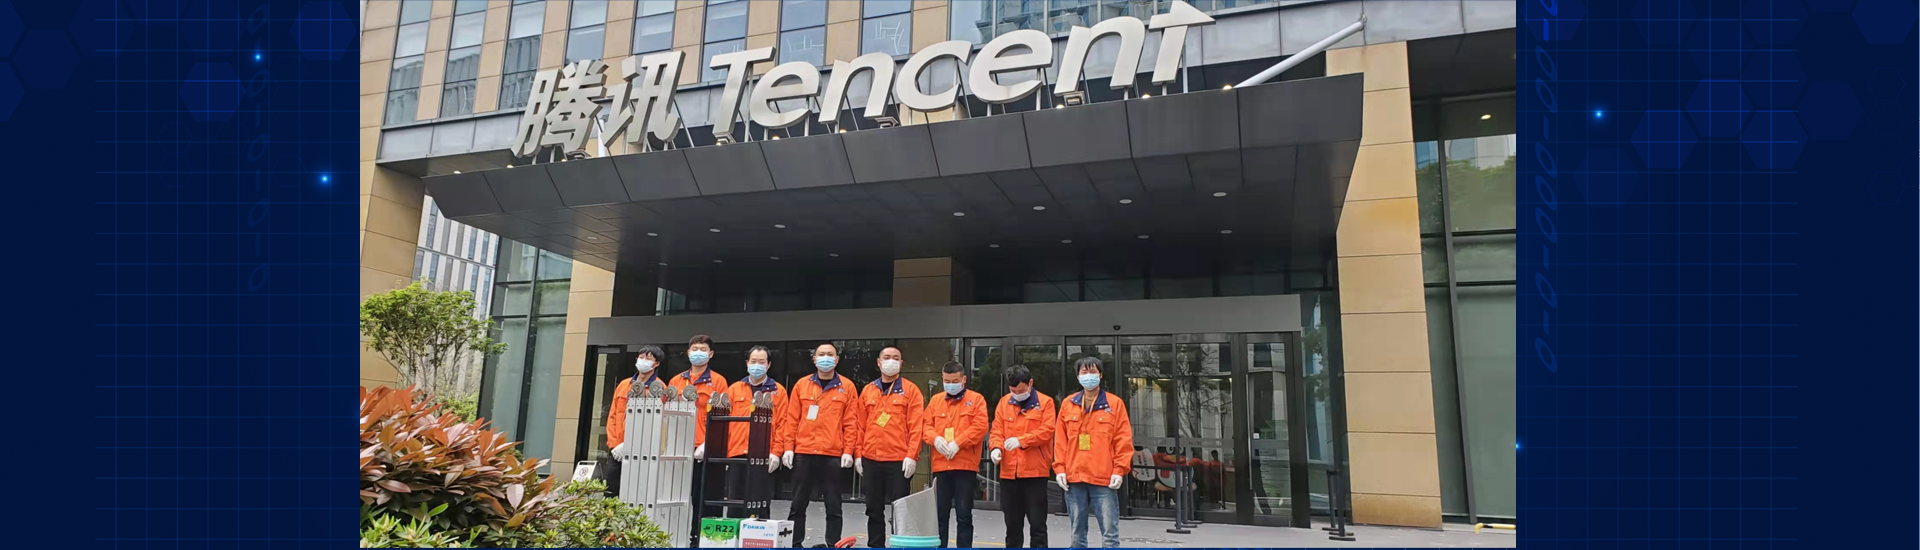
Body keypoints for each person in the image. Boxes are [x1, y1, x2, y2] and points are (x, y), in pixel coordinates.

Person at [778, 343, 862, 548]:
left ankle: (833, 544)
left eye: (830, 354)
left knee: (834, 505)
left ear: (837, 360)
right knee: (798, 503)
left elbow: (851, 422)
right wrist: (788, 447)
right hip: (804, 451)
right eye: (821, 354)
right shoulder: (802, 385)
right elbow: (792, 419)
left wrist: (848, 451)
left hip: (832, 453)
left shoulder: (847, 387)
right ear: (814, 359)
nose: (826, 358)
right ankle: (794, 543)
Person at [1053, 356, 1133, 548]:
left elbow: (1123, 439)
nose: (1088, 376)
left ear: (1100, 375)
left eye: (1093, 372)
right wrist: (1060, 469)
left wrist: (1119, 470)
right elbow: (1060, 441)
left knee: (1110, 534)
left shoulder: (1115, 404)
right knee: (1077, 534)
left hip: (1103, 478)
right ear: (1077, 376)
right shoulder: (1068, 404)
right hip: (1074, 477)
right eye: (1084, 372)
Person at [857, 346, 923, 548]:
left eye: (896, 358)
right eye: (887, 357)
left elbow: (916, 426)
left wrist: (912, 456)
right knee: (873, 508)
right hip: (871, 459)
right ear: (879, 362)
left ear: (901, 364)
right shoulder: (868, 390)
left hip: (898, 461)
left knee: (900, 509)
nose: (891, 361)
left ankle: (900, 545)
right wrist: (858, 455)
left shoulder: (911, 390)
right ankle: (875, 545)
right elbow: (859, 426)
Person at [987, 364, 1056, 548]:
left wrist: (1022, 440)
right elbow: (996, 430)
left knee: (1038, 525)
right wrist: (996, 448)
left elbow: (1047, 431)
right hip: (1009, 473)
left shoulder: (1046, 402)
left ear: (1030, 383)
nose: (1017, 394)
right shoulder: (1004, 403)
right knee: (1012, 527)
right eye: (1013, 391)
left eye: (1021, 390)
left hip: (1035, 473)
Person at [921, 361, 987, 548]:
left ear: (964, 379)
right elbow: (926, 425)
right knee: (939, 516)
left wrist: (959, 442)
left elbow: (980, 426)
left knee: (964, 515)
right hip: (941, 466)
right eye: (947, 381)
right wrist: (935, 439)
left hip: (965, 466)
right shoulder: (936, 401)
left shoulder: (976, 399)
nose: (951, 384)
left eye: (955, 381)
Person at [670, 335, 729, 534]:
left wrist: (709, 442)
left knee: (704, 496)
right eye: (694, 349)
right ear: (688, 352)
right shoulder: (676, 381)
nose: (698, 353)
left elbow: (722, 416)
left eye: (703, 350)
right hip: (679, 447)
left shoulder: (718, 381)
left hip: (704, 450)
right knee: (675, 496)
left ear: (710, 354)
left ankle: (700, 538)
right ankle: (675, 536)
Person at [722, 346, 789, 518]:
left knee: (759, 503)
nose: (757, 365)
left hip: (763, 455)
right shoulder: (734, 389)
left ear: (768, 365)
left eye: (761, 362)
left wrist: (776, 453)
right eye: (753, 361)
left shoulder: (778, 391)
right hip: (737, 453)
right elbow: (725, 422)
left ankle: (759, 534)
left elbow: (782, 424)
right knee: (735, 502)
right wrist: (724, 453)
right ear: (747, 363)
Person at [603, 345, 668, 496]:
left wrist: (631, 443)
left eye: (648, 358)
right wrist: (614, 444)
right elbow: (613, 416)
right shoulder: (624, 385)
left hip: (642, 452)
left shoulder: (659, 388)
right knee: (611, 490)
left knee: (636, 492)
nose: (643, 360)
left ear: (656, 363)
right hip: (618, 450)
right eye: (641, 357)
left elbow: (657, 423)